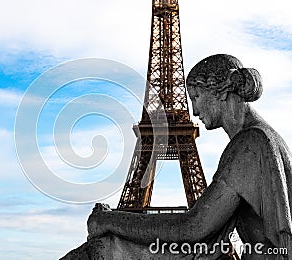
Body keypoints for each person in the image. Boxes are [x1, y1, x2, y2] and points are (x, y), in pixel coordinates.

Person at [61, 54, 292, 260]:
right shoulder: (265, 138)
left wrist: (109, 220)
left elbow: (193, 227)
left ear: (220, 92)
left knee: (105, 247)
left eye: (196, 96)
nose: (194, 111)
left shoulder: (249, 144)